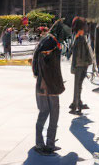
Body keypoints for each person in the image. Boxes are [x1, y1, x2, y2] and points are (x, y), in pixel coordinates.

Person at [32, 27, 65, 156]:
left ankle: (45, 143)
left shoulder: (41, 55)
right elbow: (57, 53)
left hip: (45, 89)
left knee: (48, 116)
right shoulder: (49, 57)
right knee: (48, 115)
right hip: (49, 90)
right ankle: (44, 143)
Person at [70, 17, 92, 115]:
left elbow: (87, 52)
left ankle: (77, 102)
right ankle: (76, 105)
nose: (86, 28)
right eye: (84, 27)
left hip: (83, 65)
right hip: (79, 65)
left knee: (79, 86)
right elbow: (75, 55)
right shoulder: (78, 39)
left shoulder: (82, 38)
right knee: (77, 86)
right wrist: (74, 67)